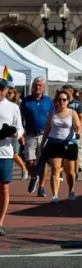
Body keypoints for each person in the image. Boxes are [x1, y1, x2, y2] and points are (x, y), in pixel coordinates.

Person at [42, 90, 82, 203]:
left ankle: (71, 189)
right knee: (55, 169)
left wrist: (78, 132)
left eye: (64, 100)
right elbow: (47, 130)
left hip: (69, 143)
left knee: (69, 171)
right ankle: (55, 195)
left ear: (68, 101)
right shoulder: (52, 114)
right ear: (56, 101)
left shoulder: (72, 113)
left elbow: (78, 126)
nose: (62, 102)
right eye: (59, 99)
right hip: (54, 143)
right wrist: (42, 144)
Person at [0, 77, 25, 237]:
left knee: (4, 187)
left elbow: (20, 128)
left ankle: (0, 222)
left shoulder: (13, 107)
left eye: (1, 89)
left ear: (5, 91)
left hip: (5, 153)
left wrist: (15, 134)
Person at [22, 77, 53, 198]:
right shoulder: (26, 101)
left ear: (44, 87)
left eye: (40, 85)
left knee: (43, 162)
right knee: (29, 161)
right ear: (32, 87)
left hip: (44, 135)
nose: (38, 87)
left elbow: (52, 117)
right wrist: (21, 132)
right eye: (36, 85)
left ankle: (41, 187)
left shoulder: (48, 101)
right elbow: (21, 117)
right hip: (30, 134)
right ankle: (34, 176)